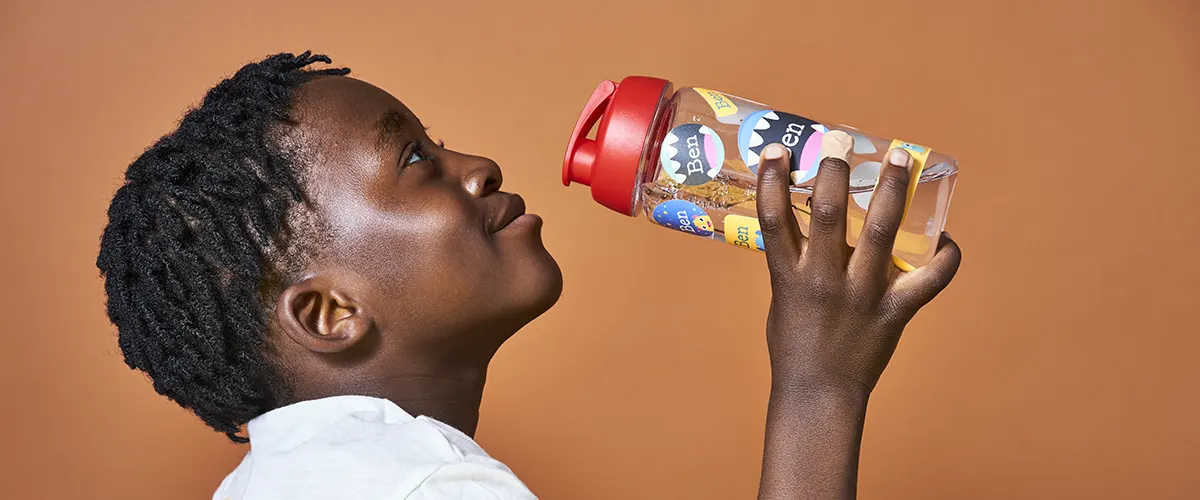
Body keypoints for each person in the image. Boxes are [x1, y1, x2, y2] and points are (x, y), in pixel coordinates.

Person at [97, 52, 961, 500]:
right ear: (329, 313)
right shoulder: (422, 489)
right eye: (413, 159)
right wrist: (818, 392)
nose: (476, 166)